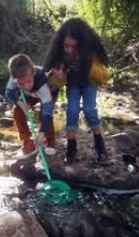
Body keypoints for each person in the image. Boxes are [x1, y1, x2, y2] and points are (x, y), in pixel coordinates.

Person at [45, 18, 109, 164]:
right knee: (72, 110)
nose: (69, 50)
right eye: (66, 46)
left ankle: (100, 146)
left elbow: (103, 74)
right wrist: (60, 77)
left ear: (82, 44)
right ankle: (71, 149)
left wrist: (89, 67)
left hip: (89, 83)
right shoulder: (60, 56)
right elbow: (57, 82)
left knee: (90, 110)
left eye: (74, 47)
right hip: (73, 84)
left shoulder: (92, 51)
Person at [5, 54, 58, 159]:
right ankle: (28, 143)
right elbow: (9, 93)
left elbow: (47, 112)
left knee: (44, 114)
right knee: (17, 111)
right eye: (21, 84)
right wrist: (21, 103)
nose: (26, 86)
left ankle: (49, 140)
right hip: (29, 95)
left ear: (33, 73)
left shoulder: (42, 82)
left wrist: (41, 133)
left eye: (28, 81)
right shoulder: (15, 78)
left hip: (46, 92)